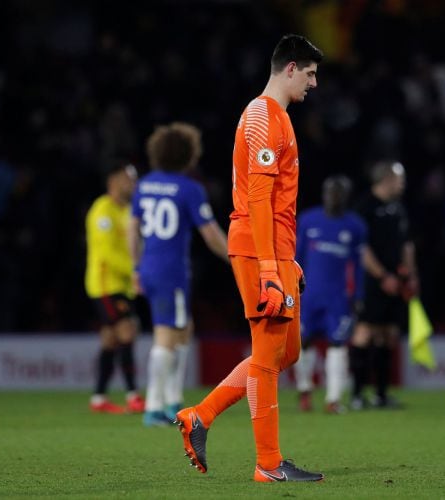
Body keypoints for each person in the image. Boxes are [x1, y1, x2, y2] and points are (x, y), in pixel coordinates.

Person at [174, 34, 324, 482]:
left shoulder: (278, 117)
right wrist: (268, 271)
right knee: (266, 354)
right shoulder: (262, 116)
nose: (314, 84)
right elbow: (258, 201)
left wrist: (287, 261)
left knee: (287, 352)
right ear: (291, 68)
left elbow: (277, 204)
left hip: (276, 251)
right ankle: (269, 463)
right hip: (257, 251)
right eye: (311, 74)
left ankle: (200, 415)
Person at [128, 122, 229, 427]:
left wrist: (135, 267)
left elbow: (132, 230)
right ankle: (155, 407)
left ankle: (172, 400)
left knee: (184, 329)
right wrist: (236, 258)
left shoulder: (144, 185)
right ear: (189, 154)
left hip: (150, 267)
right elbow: (211, 234)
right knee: (167, 334)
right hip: (172, 271)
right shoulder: (190, 188)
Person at [293, 175, 366, 414]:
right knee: (304, 342)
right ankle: (304, 390)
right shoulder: (308, 220)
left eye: (339, 193)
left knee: (338, 344)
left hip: (338, 298)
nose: (334, 197)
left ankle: (333, 399)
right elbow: (297, 258)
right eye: (330, 192)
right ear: (324, 194)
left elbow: (358, 265)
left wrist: (358, 296)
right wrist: (291, 289)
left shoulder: (355, 226)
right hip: (308, 295)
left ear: (346, 197)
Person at [351, 160, 418, 410]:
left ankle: (381, 394)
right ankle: (357, 394)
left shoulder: (398, 207)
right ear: (387, 179)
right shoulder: (364, 207)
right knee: (366, 330)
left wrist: (411, 275)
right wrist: (381, 276)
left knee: (388, 334)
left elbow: (407, 243)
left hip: (396, 279)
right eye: (400, 179)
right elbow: (361, 248)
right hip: (371, 279)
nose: (403, 184)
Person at [84, 160, 145, 414]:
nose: (131, 184)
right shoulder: (103, 211)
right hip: (105, 285)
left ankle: (98, 398)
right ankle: (133, 396)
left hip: (122, 285)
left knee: (110, 339)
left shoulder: (129, 211)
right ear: (112, 182)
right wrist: (137, 272)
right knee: (127, 330)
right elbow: (107, 253)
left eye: (133, 179)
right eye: (126, 179)